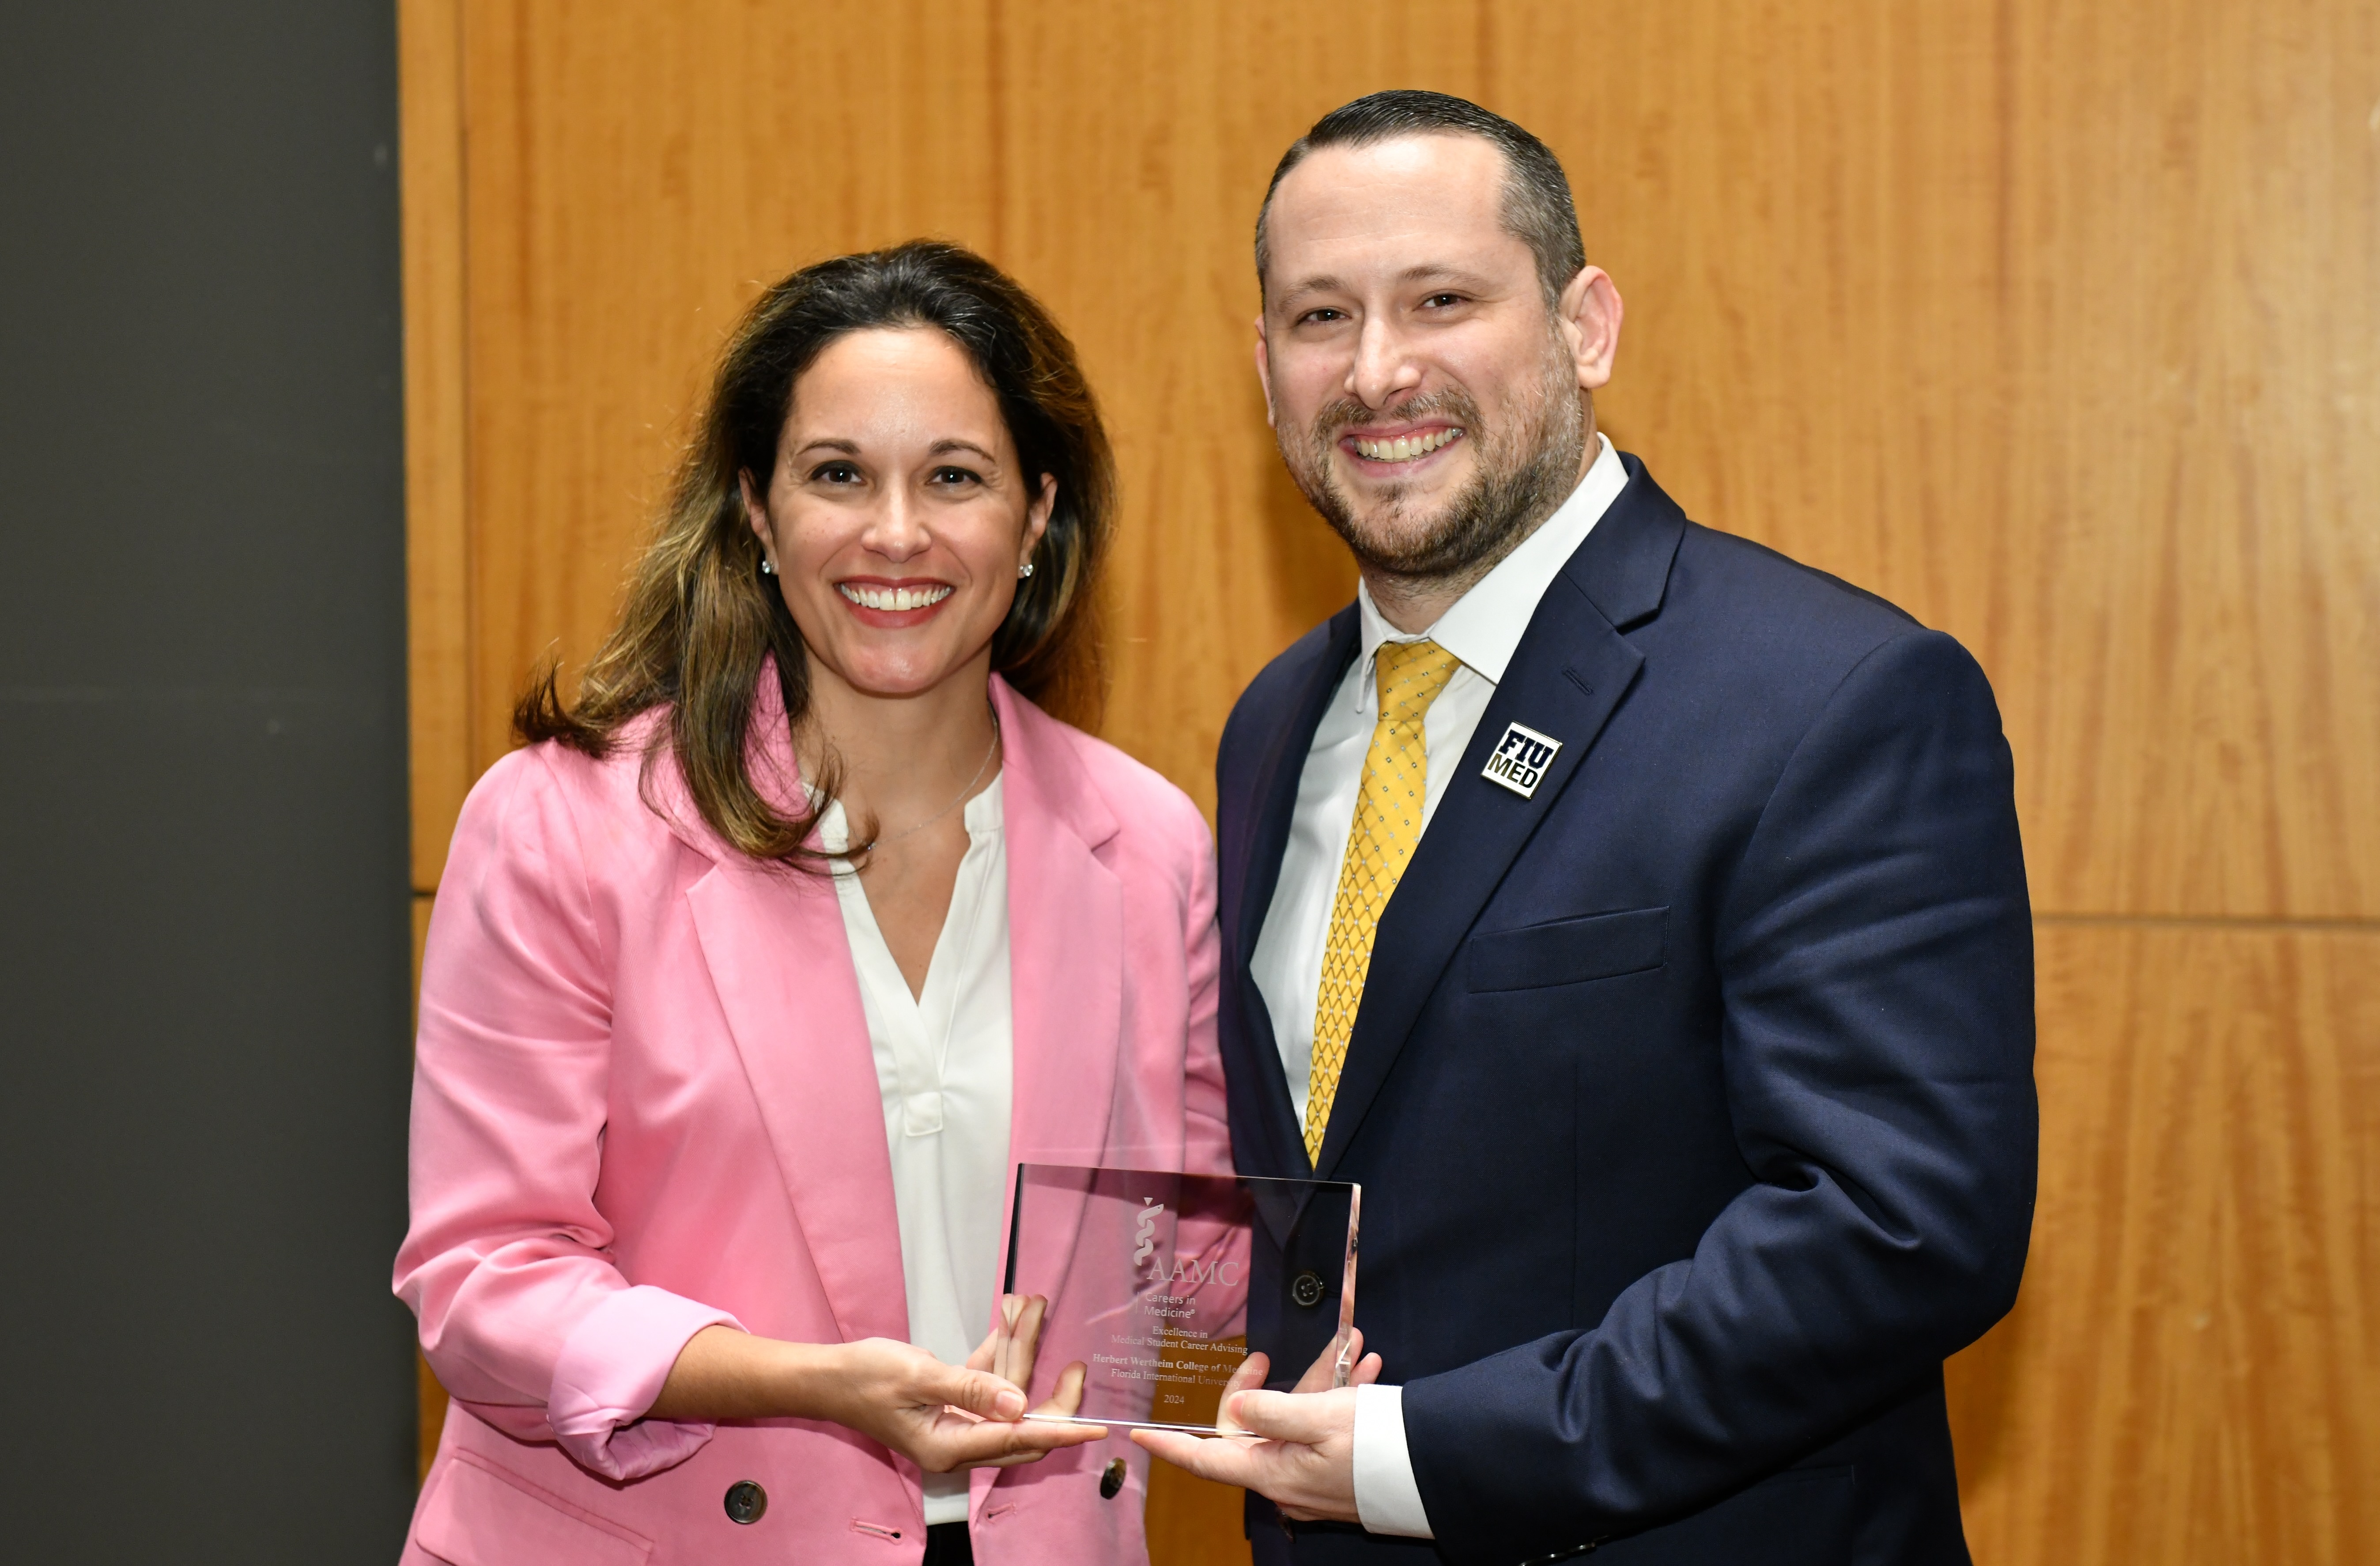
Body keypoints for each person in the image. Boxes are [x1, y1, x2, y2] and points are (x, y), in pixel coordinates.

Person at [1133, 91, 2036, 1565]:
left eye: (1441, 299)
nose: (1377, 371)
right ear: (1263, 367)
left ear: (1585, 325)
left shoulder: (1832, 697)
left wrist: (1429, 1454)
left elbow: (1896, 1225)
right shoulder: (1272, 723)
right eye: (1319, 317)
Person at [396, 241, 1224, 1566]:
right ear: (758, 515)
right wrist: (795, 1377)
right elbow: (484, 1281)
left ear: (1036, 515)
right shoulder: (563, 823)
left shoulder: (1152, 845)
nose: (895, 533)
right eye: (838, 475)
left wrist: (1284, 1347)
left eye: (954, 477)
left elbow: (1169, 1283)